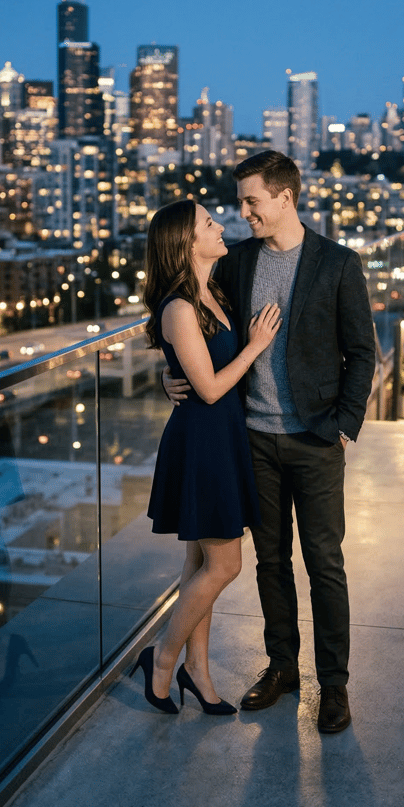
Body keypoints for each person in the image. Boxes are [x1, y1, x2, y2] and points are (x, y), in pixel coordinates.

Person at [165, 151, 375, 733]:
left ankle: (334, 685)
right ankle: (282, 667)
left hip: (315, 439)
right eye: (240, 203)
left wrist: (343, 425)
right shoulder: (237, 262)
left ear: (285, 198)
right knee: (270, 562)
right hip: (251, 439)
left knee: (324, 563)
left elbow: (362, 353)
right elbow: (193, 318)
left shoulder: (338, 263)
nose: (244, 213)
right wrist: (169, 373)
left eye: (252, 201)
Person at [132, 198, 282, 716]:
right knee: (225, 564)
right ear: (186, 242)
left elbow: (194, 368)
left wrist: (171, 373)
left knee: (199, 562)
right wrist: (256, 345)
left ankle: (197, 670)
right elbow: (212, 388)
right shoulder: (178, 307)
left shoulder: (211, 293)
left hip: (221, 436)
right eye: (208, 223)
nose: (221, 226)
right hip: (203, 443)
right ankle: (162, 657)